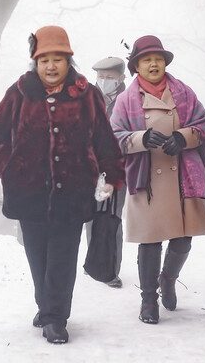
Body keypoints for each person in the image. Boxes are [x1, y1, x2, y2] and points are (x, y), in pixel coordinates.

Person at [0, 26, 124, 344]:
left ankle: (56, 318)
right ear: (35, 61)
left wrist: (111, 175)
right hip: (29, 191)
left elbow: (103, 138)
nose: (50, 66)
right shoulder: (19, 92)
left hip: (73, 191)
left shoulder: (87, 94)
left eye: (58, 58)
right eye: (44, 59)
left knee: (62, 256)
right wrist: (9, 167)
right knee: (38, 256)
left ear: (69, 60)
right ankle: (45, 306)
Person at [111, 35, 205, 324]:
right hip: (146, 182)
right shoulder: (126, 101)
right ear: (136, 66)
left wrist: (183, 137)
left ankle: (168, 279)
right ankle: (148, 301)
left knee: (182, 240)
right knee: (150, 241)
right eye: (146, 59)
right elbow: (113, 137)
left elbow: (203, 122)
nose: (153, 63)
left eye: (158, 58)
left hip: (182, 176)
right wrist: (141, 138)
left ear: (164, 63)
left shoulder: (184, 92)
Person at [84, 57, 127, 288]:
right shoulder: (91, 98)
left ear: (121, 78)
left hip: (116, 166)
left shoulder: (129, 100)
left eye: (109, 77)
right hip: (90, 166)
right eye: (101, 77)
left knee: (112, 217)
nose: (104, 81)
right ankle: (93, 263)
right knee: (89, 215)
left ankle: (110, 269)